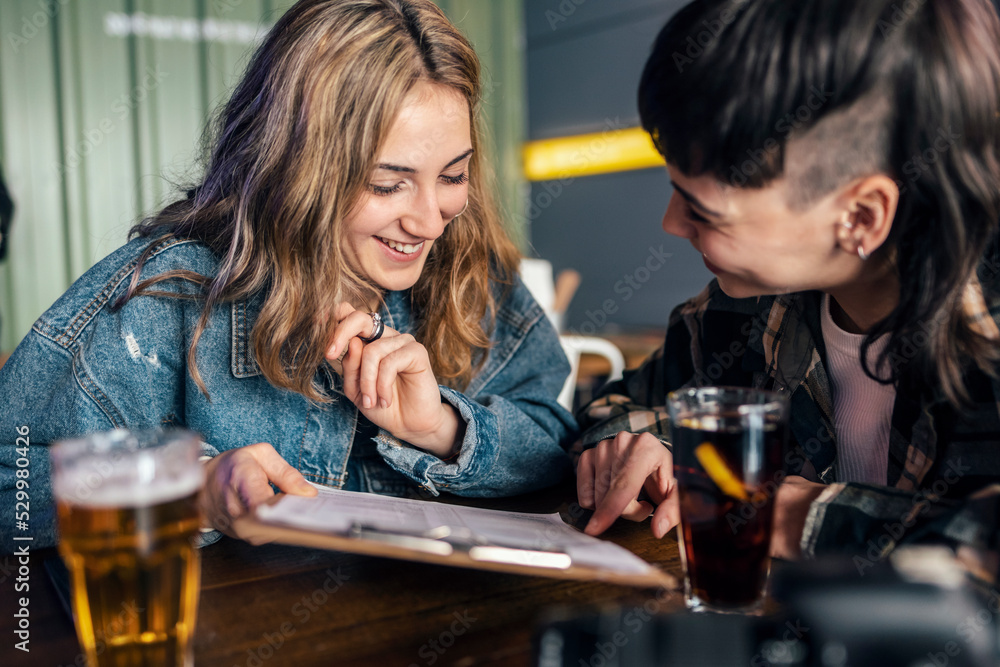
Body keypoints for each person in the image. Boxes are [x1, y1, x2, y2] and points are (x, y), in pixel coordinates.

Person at [0, 0, 575, 550]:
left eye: (453, 176)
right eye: (386, 183)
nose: (430, 221)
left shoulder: (473, 271)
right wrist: (187, 494)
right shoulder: (168, 296)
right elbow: (9, 487)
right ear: (295, 169)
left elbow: (554, 438)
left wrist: (442, 429)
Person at [576, 0, 1000, 565]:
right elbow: (621, 404)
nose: (671, 224)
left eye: (704, 211)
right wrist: (635, 445)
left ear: (861, 216)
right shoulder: (743, 314)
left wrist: (797, 516)